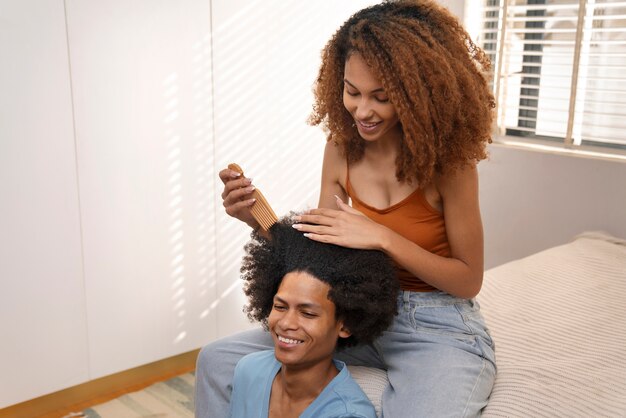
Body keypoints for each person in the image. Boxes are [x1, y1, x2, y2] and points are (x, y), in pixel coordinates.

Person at [198, 1, 496, 417]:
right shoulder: (342, 148)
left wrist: (381, 237)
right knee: (216, 360)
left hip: (435, 327)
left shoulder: (451, 167)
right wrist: (256, 219)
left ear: (418, 96)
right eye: (352, 92)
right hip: (355, 314)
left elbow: (468, 280)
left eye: (381, 97)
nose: (362, 110)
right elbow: (321, 259)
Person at [228, 217, 398, 418]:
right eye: (280, 306)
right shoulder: (249, 370)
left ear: (345, 326)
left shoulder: (348, 415)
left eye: (307, 313)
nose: (286, 323)